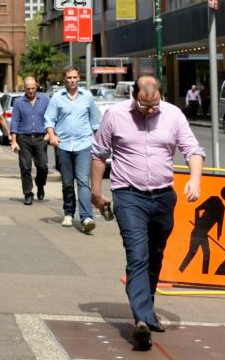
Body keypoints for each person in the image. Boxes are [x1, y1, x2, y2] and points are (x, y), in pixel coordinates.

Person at [91, 76, 205, 350]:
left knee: (155, 255)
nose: (150, 111)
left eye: (154, 105)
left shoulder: (173, 115)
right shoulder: (115, 116)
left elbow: (193, 149)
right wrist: (96, 193)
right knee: (138, 254)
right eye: (144, 106)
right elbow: (99, 154)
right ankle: (141, 321)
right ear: (134, 96)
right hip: (129, 195)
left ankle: (147, 309)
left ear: (160, 97)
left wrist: (195, 179)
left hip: (164, 196)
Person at [45, 65, 102, 232]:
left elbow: (94, 122)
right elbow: (49, 119)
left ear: (79, 78)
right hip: (63, 145)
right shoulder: (57, 97)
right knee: (68, 183)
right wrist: (52, 135)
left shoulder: (87, 97)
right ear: (64, 79)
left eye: (75, 77)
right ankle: (69, 213)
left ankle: (87, 218)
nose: (72, 81)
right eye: (69, 78)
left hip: (83, 144)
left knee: (84, 181)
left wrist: (99, 143)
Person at [9, 76, 50, 205]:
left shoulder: (45, 99)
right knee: (25, 167)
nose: (31, 91)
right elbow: (15, 121)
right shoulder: (19, 102)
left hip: (41, 137)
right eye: (28, 89)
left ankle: (40, 184)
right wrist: (14, 141)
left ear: (36, 86)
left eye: (33, 88)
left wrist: (50, 134)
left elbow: (51, 117)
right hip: (24, 138)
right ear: (24, 89)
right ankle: (28, 193)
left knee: (42, 166)